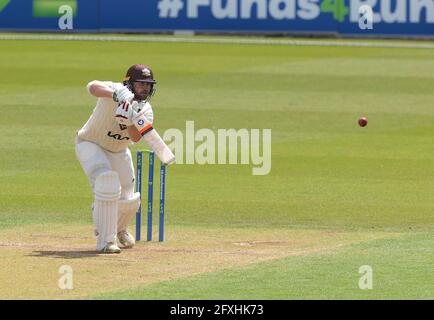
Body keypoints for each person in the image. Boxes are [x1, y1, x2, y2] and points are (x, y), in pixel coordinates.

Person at [75, 64, 156, 253]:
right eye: (140, 83)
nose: (145, 88)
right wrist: (114, 96)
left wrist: (128, 120)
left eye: (148, 84)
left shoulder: (146, 110)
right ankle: (105, 241)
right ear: (129, 83)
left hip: (118, 150)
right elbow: (92, 87)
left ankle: (119, 229)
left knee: (128, 194)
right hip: (90, 143)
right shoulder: (116, 89)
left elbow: (135, 137)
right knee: (107, 181)